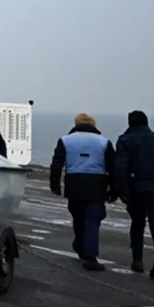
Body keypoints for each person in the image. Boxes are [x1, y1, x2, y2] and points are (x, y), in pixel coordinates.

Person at [113, 110, 154, 279]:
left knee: (137, 224)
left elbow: (120, 167)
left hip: (137, 189)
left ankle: (138, 261)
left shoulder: (125, 140)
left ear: (130, 123)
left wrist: (122, 190)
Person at [49, 113, 115, 271]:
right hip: (97, 184)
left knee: (78, 217)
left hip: (74, 183)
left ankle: (79, 246)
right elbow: (113, 167)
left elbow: (56, 165)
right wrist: (114, 190)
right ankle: (90, 256)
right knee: (93, 220)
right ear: (93, 125)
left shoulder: (65, 140)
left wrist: (55, 186)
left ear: (76, 124)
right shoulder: (104, 142)